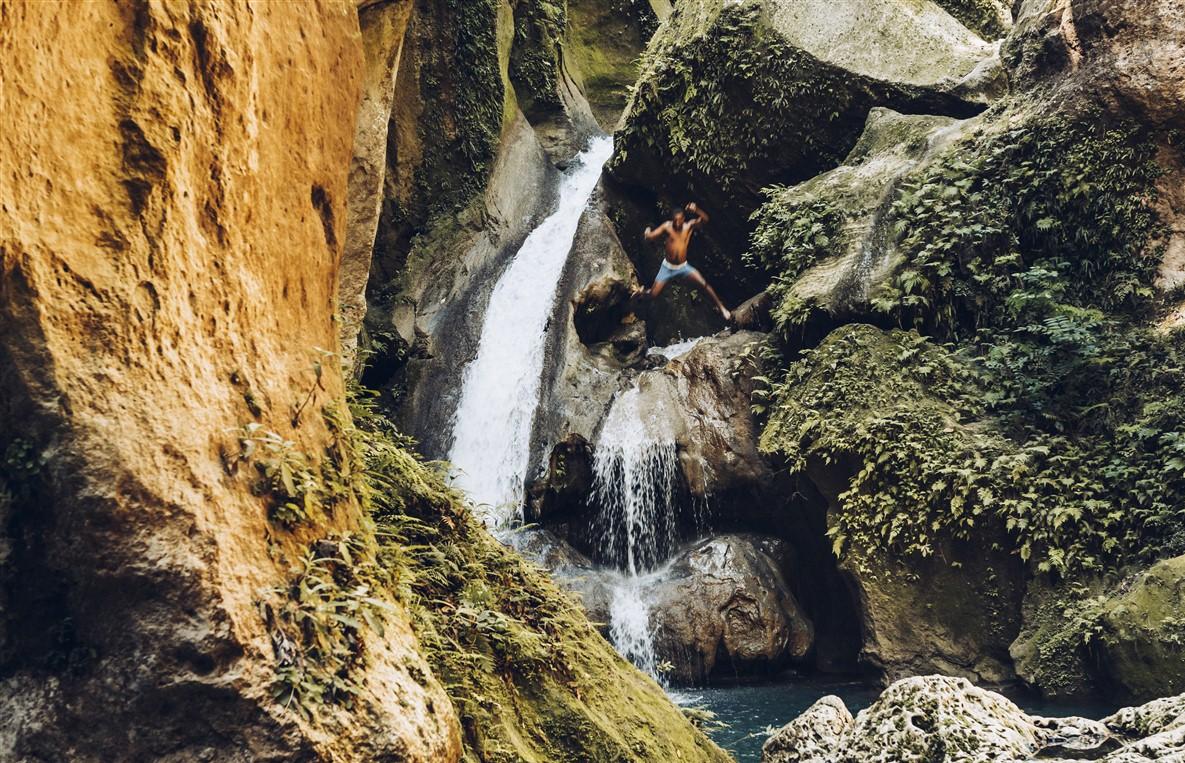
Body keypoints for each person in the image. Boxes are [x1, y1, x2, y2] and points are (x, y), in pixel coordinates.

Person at [633, 202, 731, 321]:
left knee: (704, 284)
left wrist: (697, 210)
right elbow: (651, 237)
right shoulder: (667, 226)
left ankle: (722, 308)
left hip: (683, 267)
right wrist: (648, 233)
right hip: (667, 268)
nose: (677, 223)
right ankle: (641, 294)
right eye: (675, 221)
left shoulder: (688, 226)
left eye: (679, 220)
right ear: (672, 220)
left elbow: (705, 219)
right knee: (653, 295)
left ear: (683, 219)